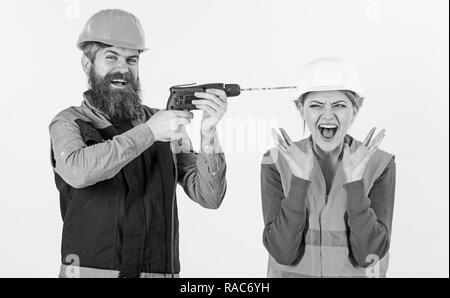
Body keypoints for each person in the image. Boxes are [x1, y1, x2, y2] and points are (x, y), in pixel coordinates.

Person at [49, 9, 228, 278]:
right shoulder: (70, 122)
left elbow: (210, 197)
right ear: (87, 64)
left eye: (132, 60)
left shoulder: (165, 123)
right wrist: (150, 133)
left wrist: (209, 134)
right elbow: (78, 171)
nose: (123, 68)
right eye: (112, 57)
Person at [261, 57, 396, 278]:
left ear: (355, 108)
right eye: (315, 105)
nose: (327, 114)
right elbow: (282, 253)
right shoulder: (276, 162)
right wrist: (299, 181)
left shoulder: (380, 164)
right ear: (300, 109)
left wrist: (354, 183)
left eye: (339, 105)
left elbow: (369, 255)